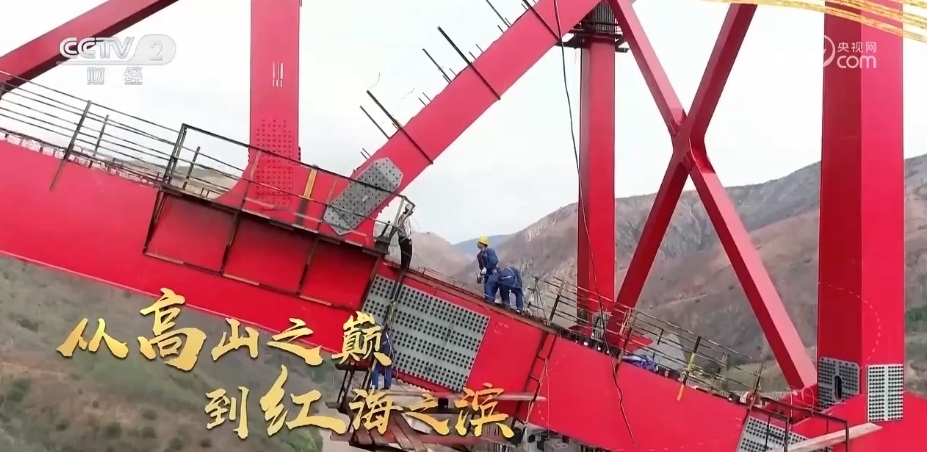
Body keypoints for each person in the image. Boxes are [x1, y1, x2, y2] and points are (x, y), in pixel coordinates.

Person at [396, 205, 414, 271]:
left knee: (405, 254)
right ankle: (404, 269)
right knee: (407, 255)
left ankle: (404, 268)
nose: (412, 213)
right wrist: (409, 239)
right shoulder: (405, 217)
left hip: (403, 238)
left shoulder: (403, 217)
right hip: (404, 238)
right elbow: (406, 229)